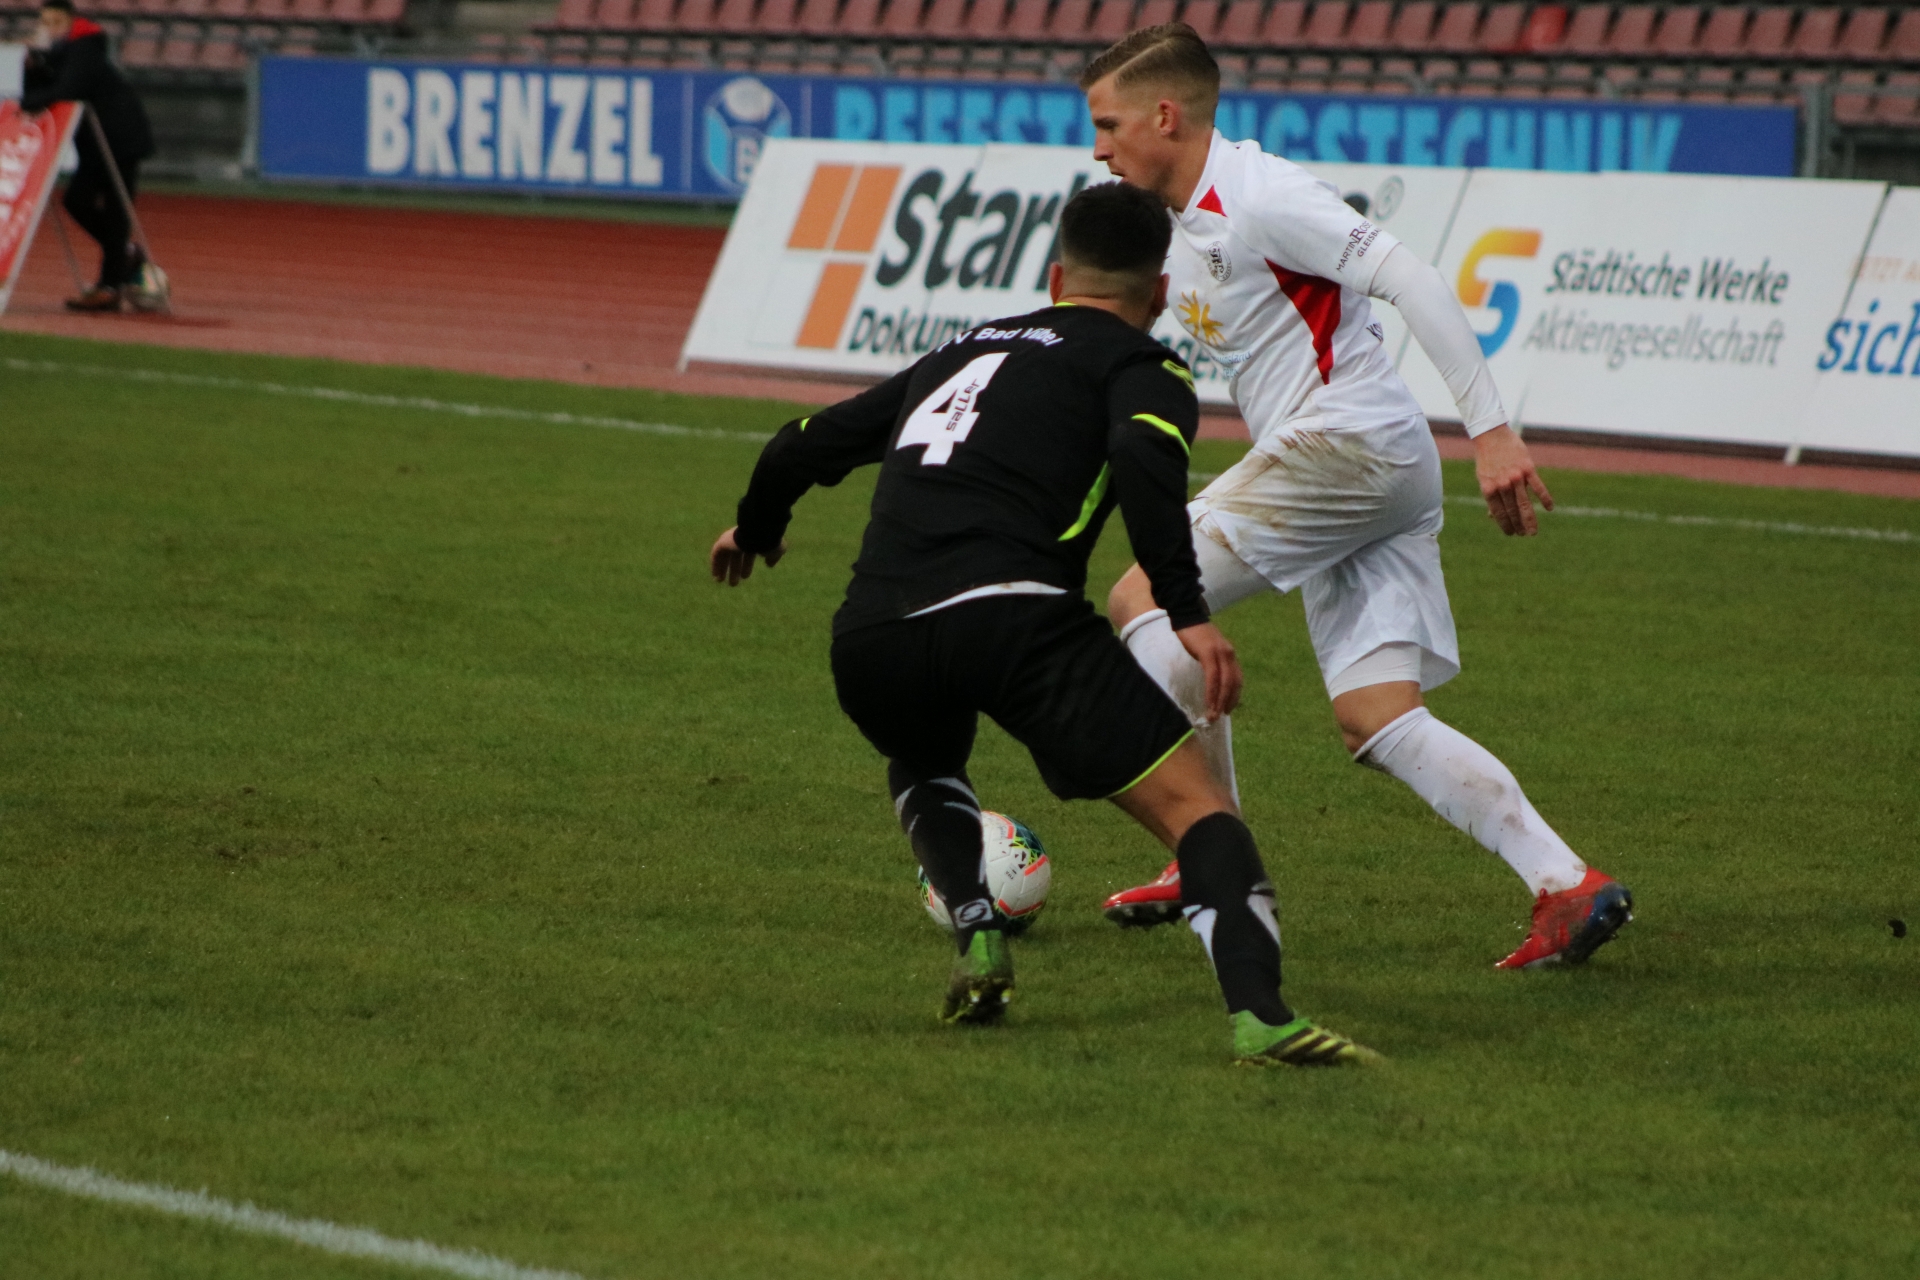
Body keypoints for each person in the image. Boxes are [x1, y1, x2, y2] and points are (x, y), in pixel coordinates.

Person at [709, 182, 1379, 1067]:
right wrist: (1187, 612)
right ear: (1160, 292)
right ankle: (1262, 1018)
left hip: (872, 635)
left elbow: (799, 442)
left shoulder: (959, 350)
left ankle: (976, 926)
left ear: (1057, 276)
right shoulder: (1144, 368)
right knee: (1200, 811)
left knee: (923, 757)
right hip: (1015, 620)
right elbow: (1140, 454)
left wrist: (755, 530)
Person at [1080, 24, 1633, 971]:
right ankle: (1567, 884)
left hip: (1348, 445)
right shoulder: (1178, 223)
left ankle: (1208, 851)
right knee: (1375, 716)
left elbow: (1411, 277)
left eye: (1108, 124)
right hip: (1365, 462)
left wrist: (1492, 430)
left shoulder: (1262, 195)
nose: (1098, 148)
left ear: (1164, 117)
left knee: (1143, 601)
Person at [22, 0, 155, 312]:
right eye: (45, 23)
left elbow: (68, 89)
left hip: (119, 138)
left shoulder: (85, 50)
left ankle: (110, 284)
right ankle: (124, 257)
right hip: (95, 141)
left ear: (70, 23)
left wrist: (30, 101)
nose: (50, 29)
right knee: (78, 201)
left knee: (114, 210)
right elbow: (36, 93)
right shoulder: (58, 54)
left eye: (56, 22)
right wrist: (34, 66)